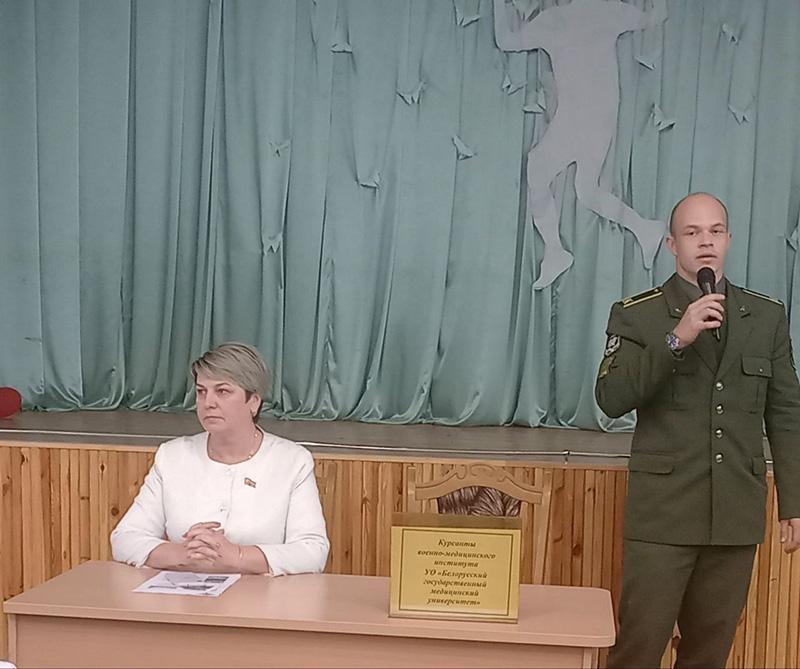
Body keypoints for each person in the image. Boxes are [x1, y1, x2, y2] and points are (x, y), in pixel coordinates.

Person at [595, 193, 800, 667]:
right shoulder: (638, 314)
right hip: (663, 516)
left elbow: (786, 412)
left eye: (715, 231)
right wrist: (676, 338)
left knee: (708, 656)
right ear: (672, 244)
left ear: (728, 239)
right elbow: (610, 397)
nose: (705, 242)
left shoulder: (765, 316)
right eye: (692, 232)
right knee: (638, 650)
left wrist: (793, 500)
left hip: (733, 514)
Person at [111, 342, 330, 576]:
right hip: (181, 594)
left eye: (223, 391)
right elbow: (125, 538)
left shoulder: (292, 461)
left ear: (254, 402)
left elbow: (312, 551)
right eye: (201, 391)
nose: (208, 403)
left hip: (262, 595)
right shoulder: (172, 455)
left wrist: (237, 557)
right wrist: (183, 555)